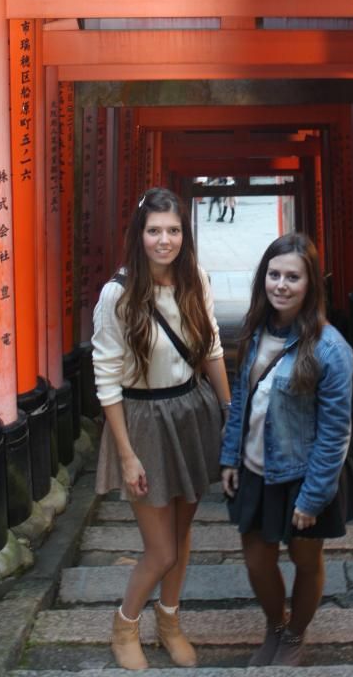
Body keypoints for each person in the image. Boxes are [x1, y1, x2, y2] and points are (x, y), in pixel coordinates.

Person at [92, 187, 232, 671]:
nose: (164, 240)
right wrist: (127, 455)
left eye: (173, 230)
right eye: (155, 230)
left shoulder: (194, 278)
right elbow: (106, 379)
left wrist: (228, 408)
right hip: (145, 420)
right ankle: (124, 624)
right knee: (161, 549)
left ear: (184, 235)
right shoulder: (118, 294)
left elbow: (211, 344)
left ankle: (170, 621)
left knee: (183, 532)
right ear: (139, 234)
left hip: (192, 411)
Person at [220, 232, 353, 667]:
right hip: (257, 469)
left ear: (311, 284)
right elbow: (242, 398)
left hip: (303, 474)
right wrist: (229, 455)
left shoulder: (331, 349)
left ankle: (295, 635)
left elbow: (335, 431)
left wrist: (314, 497)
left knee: (305, 557)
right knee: (258, 562)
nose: (281, 284)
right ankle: (275, 625)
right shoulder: (258, 329)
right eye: (274, 274)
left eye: (292, 277)